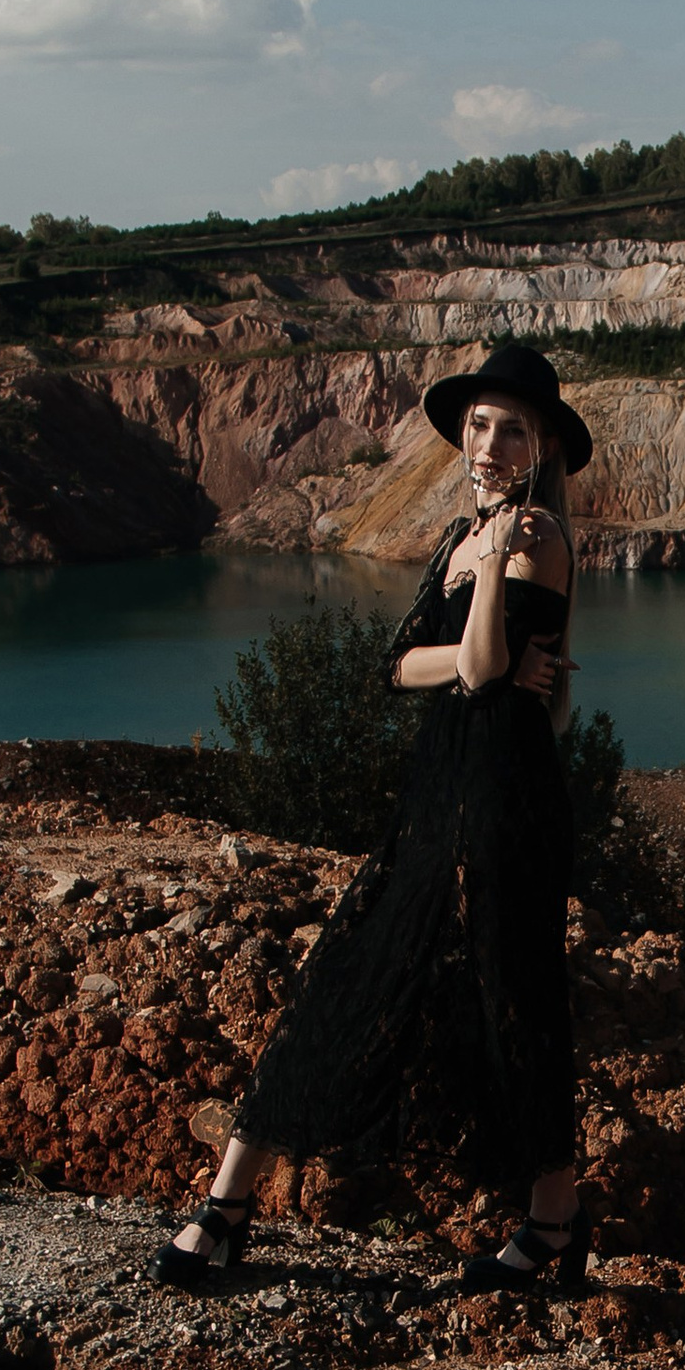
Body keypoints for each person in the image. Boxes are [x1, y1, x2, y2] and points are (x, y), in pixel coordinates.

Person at [154, 341, 591, 1293]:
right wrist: (485, 636)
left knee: (515, 1002)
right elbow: (396, 665)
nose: (487, 443)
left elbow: (486, 673)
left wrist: (490, 620)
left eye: (510, 429)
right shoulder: (463, 534)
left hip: (506, 802)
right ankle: (228, 1210)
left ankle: (553, 1225)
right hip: (440, 791)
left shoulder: (539, 538)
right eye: (477, 425)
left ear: (544, 441)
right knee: (347, 970)